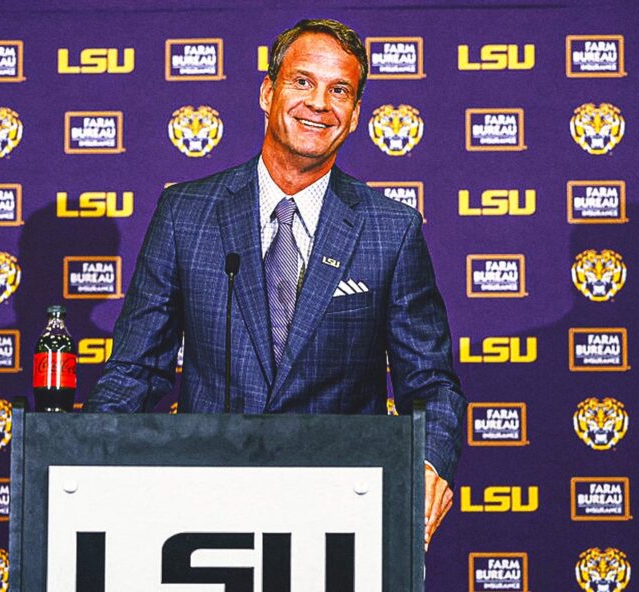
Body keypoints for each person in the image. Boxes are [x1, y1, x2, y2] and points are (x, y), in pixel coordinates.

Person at [85, 18, 465, 546]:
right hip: (203, 508)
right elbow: (136, 367)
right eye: (302, 81)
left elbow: (430, 382)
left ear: (355, 115)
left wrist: (428, 463)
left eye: (339, 91)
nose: (319, 103)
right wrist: (82, 463)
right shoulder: (185, 213)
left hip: (340, 514)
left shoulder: (391, 229)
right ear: (268, 93)